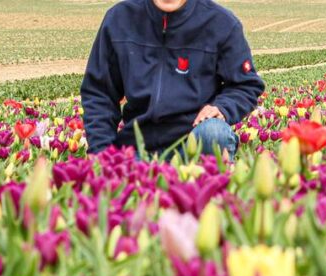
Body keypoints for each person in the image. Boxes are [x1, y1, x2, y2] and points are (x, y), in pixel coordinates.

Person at [80, 0, 265, 159]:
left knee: (213, 133)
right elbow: (99, 92)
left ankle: (209, 191)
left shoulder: (221, 24)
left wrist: (223, 107)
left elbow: (246, 84)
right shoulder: (119, 20)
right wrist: (101, 152)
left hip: (193, 144)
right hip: (136, 149)